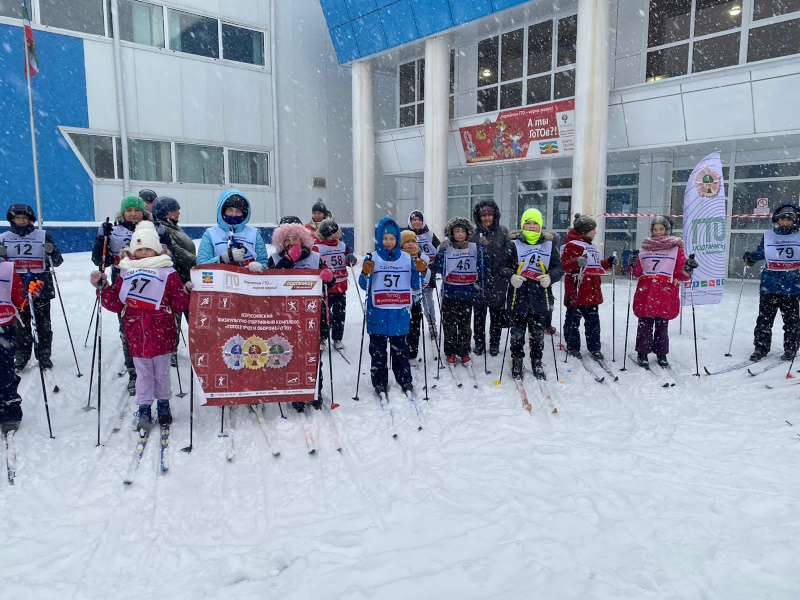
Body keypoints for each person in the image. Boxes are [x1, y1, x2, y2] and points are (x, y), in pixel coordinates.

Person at [90, 221, 191, 431]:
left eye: (148, 248)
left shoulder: (167, 271)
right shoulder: (126, 271)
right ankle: (144, 407)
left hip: (162, 331)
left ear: (156, 248)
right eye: (140, 249)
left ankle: (164, 404)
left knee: (161, 372)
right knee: (143, 374)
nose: (144, 252)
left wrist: (188, 291)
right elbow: (116, 303)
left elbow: (180, 303)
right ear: (133, 251)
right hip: (136, 332)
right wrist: (104, 287)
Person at [92, 194, 173, 395]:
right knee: (129, 330)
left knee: (155, 327)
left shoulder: (153, 228)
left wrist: (164, 236)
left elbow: (169, 256)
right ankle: (134, 372)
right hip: (125, 285)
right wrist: (102, 237)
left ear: (144, 212)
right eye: (129, 210)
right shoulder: (114, 230)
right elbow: (98, 260)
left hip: (154, 285)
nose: (134, 214)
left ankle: (158, 366)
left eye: (137, 210)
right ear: (123, 212)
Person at [268, 222, 334, 411]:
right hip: (287, 315)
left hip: (312, 314)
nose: (291, 242)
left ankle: (314, 391)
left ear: (303, 239)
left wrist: (329, 277)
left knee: (312, 355)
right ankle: (296, 392)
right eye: (286, 239)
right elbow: (270, 281)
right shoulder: (275, 258)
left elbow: (328, 283)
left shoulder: (315, 257)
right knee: (291, 354)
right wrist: (288, 260)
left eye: (295, 238)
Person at [359, 217, 424, 395]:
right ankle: (379, 381)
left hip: (399, 314)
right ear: (380, 238)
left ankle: (404, 379)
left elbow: (416, 286)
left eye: (392, 238)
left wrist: (421, 271)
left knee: (400, 351)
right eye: (385, 238)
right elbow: (364, 285)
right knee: (378, 352)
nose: (388, 242)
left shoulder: (406, 258)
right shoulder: (371, 257)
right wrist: (365, 272)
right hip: (377, 313)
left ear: (397, 240)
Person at [0, 204, 64, 372]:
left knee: (43, 324)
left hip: (40, 286)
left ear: (31, 219)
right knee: (20, 324)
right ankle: (21, 354)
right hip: (15, 288)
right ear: (12, 219)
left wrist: (51, 253)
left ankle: (44, 355)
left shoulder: (43, 235)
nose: (21, 221)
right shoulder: (4, 237)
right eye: (18, 218)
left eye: (25, 218)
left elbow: (57, 261)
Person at [501, 208, 563, 380]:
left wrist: (551, 278)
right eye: (528, 223)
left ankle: (536, 360)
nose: (531, 226)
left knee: (537, 333)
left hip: (540, 297)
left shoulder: (549, 246)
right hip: (518, 296)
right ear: (522, 225)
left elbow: (558, 268)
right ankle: (518, 360)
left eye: (535, 223)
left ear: (540, 225)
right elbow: (501, 266)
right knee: (517, 333)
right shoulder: (513, 244)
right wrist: (511, 276)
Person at [628, 216, 696, 368]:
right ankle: (642, 352)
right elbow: (637, 272)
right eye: (655, 229)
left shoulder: (675, 249)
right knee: (644, 324)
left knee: (662, 325)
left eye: (661, 229)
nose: (658, 232)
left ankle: (661, 353)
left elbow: (680, 274)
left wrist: (687, 268)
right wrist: (632, 264)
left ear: (667, 230)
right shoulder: (645, 247)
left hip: (665, 292)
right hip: (646, 290)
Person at [743, 202, 800, 361]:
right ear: (777, 220)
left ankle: (790, 348)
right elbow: (762, 252)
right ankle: (760, 348)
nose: (785, 222)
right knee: (764, 320)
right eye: (782, 219)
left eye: (789, 220)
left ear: (795, 221)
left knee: (791, 321)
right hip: (769, 285)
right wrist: (751, 258)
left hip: (792, 287)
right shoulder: (769, 235)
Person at [560, 213, 617, 360]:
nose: (595, 232)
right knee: (573, 322)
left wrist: (608, 262)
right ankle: (573, 346)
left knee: (593, 322)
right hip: (577, 291)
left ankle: (594, 347)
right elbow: (564, 265)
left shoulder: (591, 246)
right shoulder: (572, 244)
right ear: (584, 231)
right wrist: (576, 262)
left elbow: (595, 265)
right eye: (593, 230)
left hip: (592, 291)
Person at [152, 196, 197, 366]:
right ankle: (169, 353)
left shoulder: (174, 227)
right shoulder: (162, 230)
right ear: (166, 212)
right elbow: (176, 252)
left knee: (192, 316)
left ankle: (198, 348)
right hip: (175, 280)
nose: (179, 212)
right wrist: (199, 261)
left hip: (186, 278)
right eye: (175, 209)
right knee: (173, 318)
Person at [431, 217, 481, 369]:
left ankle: (464, 351)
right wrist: (441, 252)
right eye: (457, 231)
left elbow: (482, 265)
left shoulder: (473, 247)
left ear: (467, 233)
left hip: (466, 294)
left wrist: (483, 249)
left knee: (465, 325)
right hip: (449, 293)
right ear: (451, 233)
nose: (460, 234)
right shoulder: (447, 247)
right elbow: (438, 268)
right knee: (449, 325)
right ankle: (450, 352)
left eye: (463, 231)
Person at [471, 200, 508, 356]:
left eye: (489, 214)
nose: (486, 218)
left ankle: (494, 344)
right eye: (483, 215)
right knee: (479, 316)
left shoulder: (503, 232)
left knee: (496, 317)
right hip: (479, 281)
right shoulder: (473, 234)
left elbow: (508, 254)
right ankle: (479, 344)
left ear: (495, 215)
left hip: (498, 280)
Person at [312, 219, 357, 350]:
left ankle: (337, 338)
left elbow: (349, 261)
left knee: (339, 314)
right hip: (326, 287)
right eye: (334, 232)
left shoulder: (342, 245)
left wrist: (351, 260)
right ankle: (322, 338)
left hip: (341, 286)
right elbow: (315, 265)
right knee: (323, 315)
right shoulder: (318, 247)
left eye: (337, 231)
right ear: (327, 234)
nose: (337, 234)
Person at [196, 189, 269, 270]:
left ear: (244, 213)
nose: (233, 214)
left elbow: (264, 264)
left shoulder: (254, 234)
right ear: (223, 210)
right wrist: (224, 258)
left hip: (248, 281)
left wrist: (258, 266)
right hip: (219, 281)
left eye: (238, 211)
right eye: (230, 210)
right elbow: (201, 266)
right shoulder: (211, 234)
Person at [0, 252, 28, 432]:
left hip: (4, 326)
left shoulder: (6, 269)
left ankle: (10, 410)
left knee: (5, 370)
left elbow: (19, 299)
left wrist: (29, 295)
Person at [406, 211, 440, 340]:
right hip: (409, 273)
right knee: (411, 300)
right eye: (413, 220)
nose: (416, 222)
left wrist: (434, 265)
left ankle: (432, 324)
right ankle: (408, 324)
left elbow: (439, 250)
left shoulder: (430, 234)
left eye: (419, 220)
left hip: (427, 271)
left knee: (428, 300)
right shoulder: (406, 235)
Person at [400, 230, 431, 364]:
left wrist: (422, 272)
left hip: (415, 299)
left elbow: (424, 279)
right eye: (407, 242)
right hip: (400, 300)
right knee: (401, 328)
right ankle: (401, 351)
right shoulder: (397, 257)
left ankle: (412, 353)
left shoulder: (422, 258)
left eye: (413, 241)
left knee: (414, 328)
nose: (411, 244)